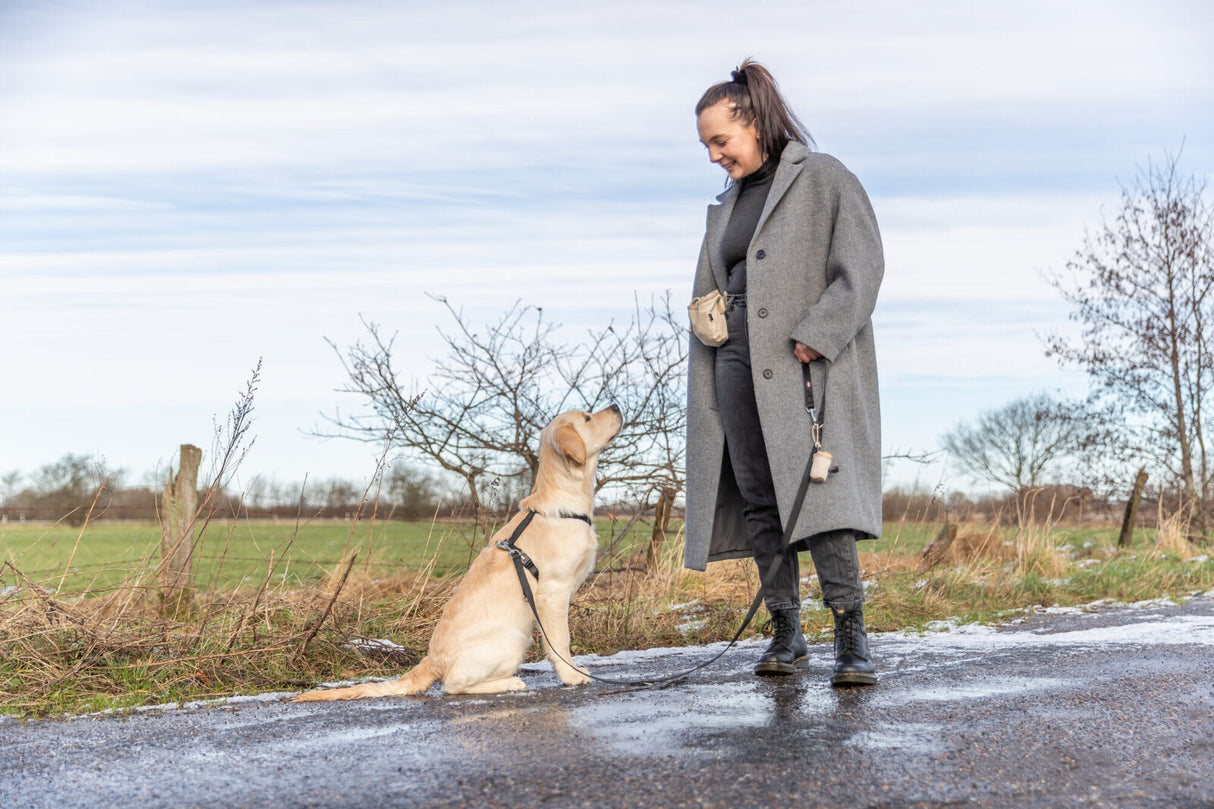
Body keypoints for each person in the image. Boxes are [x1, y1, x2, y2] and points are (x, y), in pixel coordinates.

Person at [684, 60, 884, 686]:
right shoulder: (725, 205)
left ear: (754, 122)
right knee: (759, 498)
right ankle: (786, 633)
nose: (715, 156)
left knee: (821, 496)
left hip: (802, 362)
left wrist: (818, 334)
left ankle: (852, 638)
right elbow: (715, 282)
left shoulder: (824, 178)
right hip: (734, 362)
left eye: (721, 140)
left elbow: (863, 268)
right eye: (707, 146)